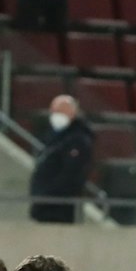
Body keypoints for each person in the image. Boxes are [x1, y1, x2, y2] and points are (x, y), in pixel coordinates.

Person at [30, 94, 93, 223]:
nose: (54, 115)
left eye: (60, 111)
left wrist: (48, 194)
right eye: (53, 111)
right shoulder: (52, 137)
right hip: (43, 204)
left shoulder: (78, 140)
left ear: (72, 113)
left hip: (60, 206)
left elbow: (71, 173)